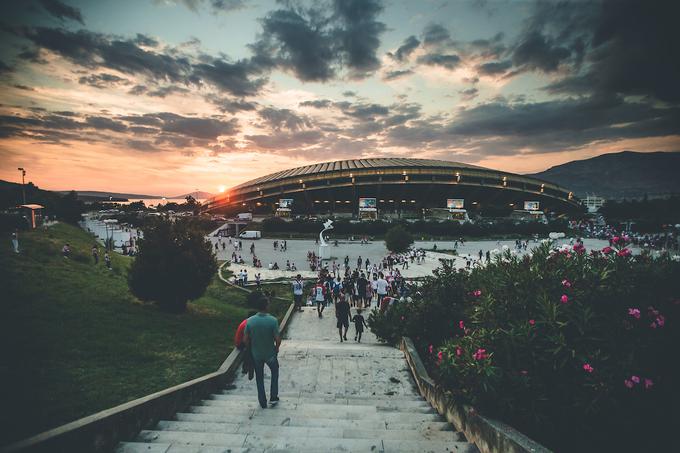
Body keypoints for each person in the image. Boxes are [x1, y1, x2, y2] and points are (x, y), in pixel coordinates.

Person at [244, 295, 281, 409]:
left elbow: (245, 339)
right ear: (266, 306)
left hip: (256, 354)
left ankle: (262, 400)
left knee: (259, 377)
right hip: (270, 353)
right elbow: (277, 339)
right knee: (275, 373)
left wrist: (251, 347)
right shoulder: (273, 321)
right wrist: (276, 348)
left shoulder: (250, 321)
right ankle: (273, 397)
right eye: (268, 303)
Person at [235, 311, 257, 380]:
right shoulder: (247, 325)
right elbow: (246, 340)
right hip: (240, 344)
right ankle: (247, 368)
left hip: (242, 342)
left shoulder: (247, 322)